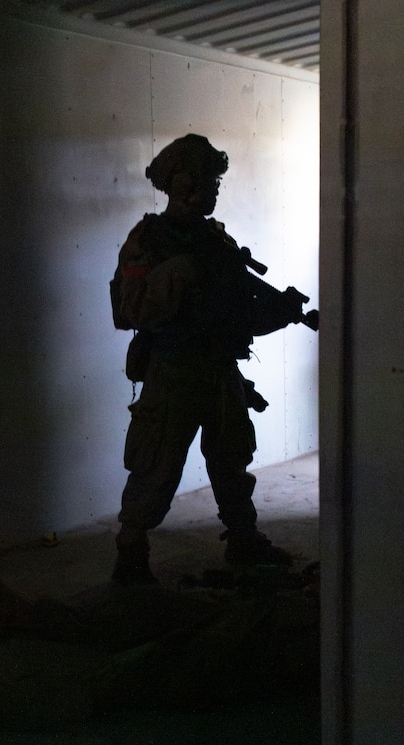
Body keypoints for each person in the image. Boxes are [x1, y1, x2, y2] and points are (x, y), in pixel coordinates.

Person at [110, 134, 306, 584]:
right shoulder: (148, 240)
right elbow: (130, 311)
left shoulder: (217, 241)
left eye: (216, 181)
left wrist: (281, 312)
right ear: (182, 183)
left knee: (231, 460)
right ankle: (130, 551)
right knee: (156, 467)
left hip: (219, 369)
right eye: (208, 180)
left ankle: (243, 538)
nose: (215, 189)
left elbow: (239, 311)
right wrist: (179, 275)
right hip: (172, 370)